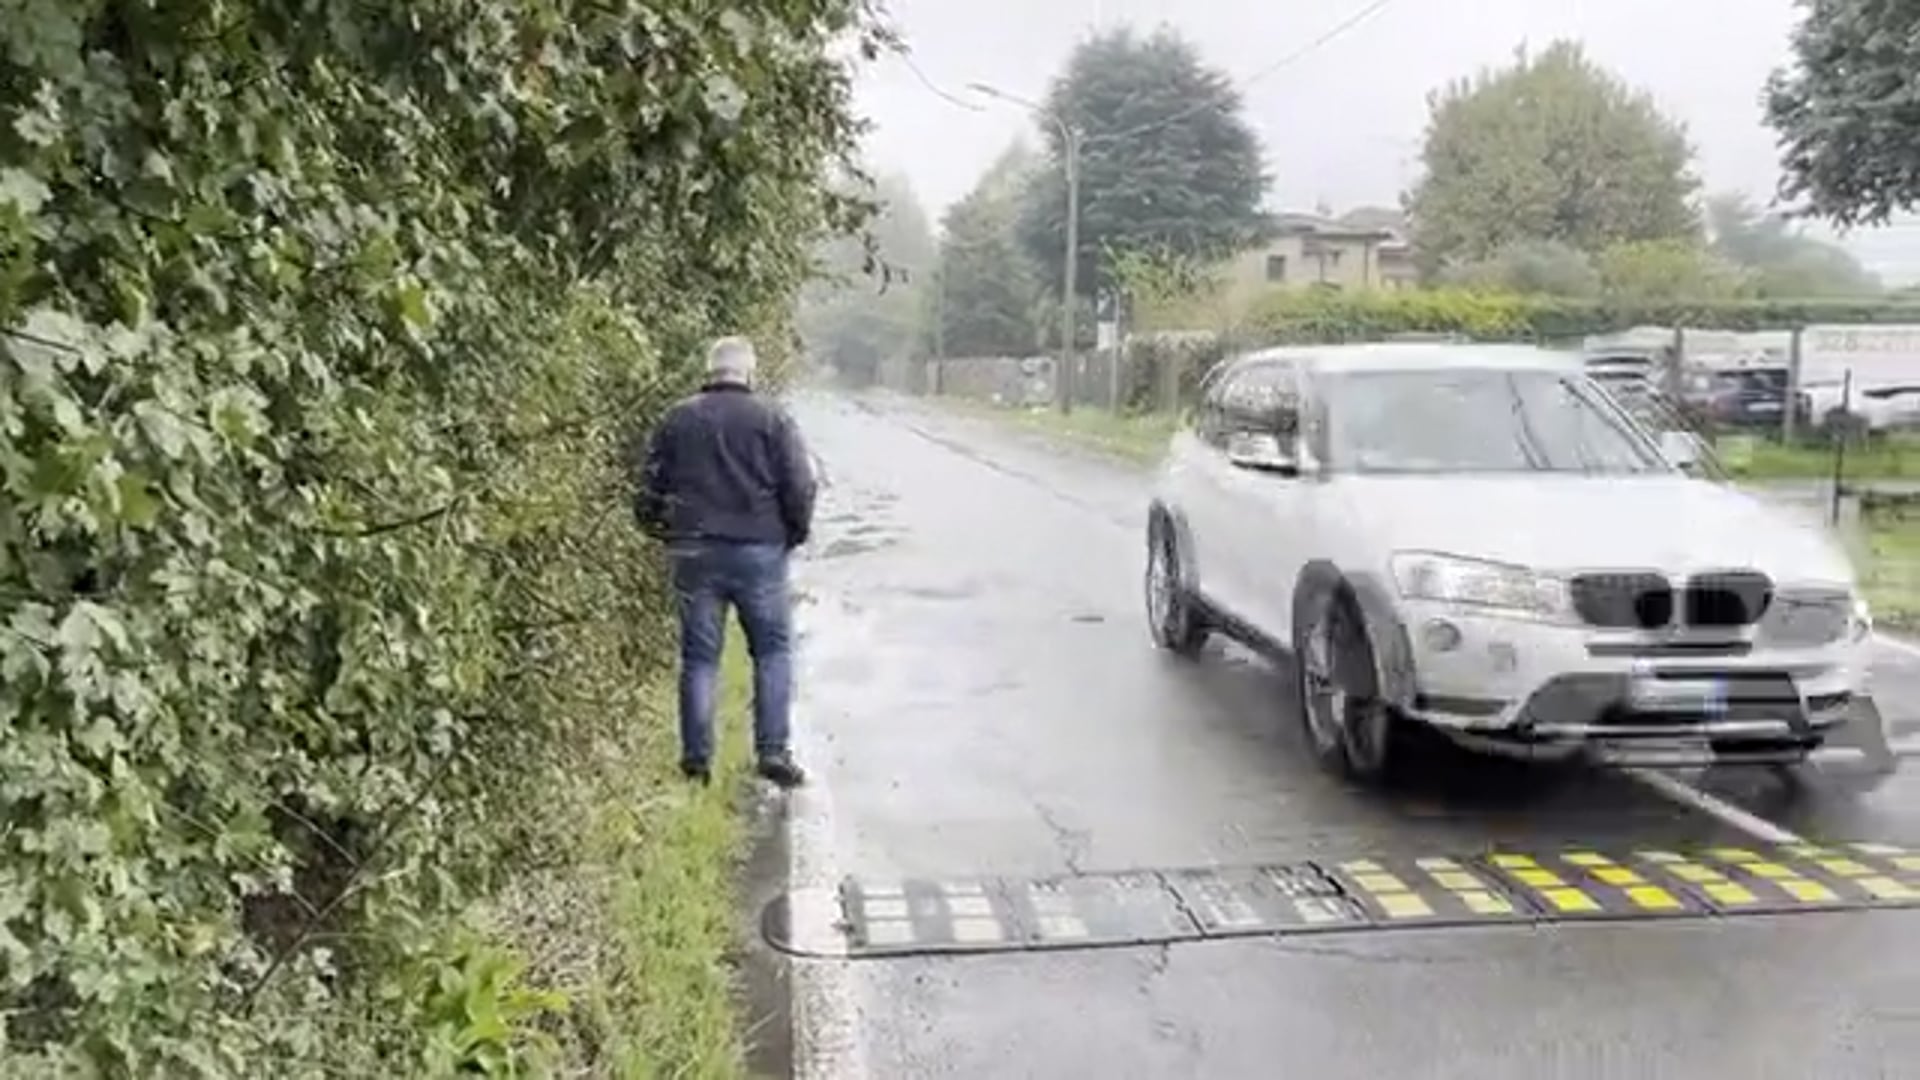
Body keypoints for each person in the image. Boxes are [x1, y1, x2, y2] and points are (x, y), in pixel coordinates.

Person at [635, 336, 815, 789]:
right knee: (772, 651)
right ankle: (772, 751)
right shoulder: (772, 418)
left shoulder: (678, 418)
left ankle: (696, 760)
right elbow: (800, 483)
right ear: (748, 373)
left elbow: (651, 484)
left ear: (710, 371)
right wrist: (793, 533)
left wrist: (657, 526)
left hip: (694, 548)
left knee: (699, 656)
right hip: (760, 549)